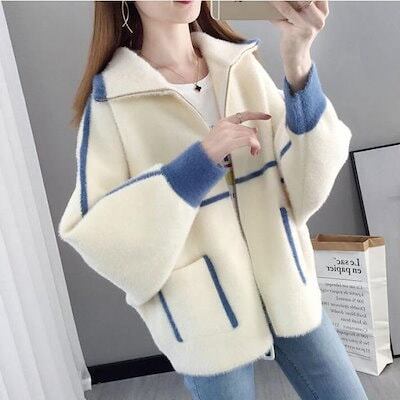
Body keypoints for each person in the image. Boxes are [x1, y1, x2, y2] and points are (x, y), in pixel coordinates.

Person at [58, 1, 369, 399]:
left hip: (288, 284)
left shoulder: (238, 65)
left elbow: (306, 185)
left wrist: (298, 61)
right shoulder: (113, 98)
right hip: (204, 317)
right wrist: (199, 163)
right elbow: (96, 232)